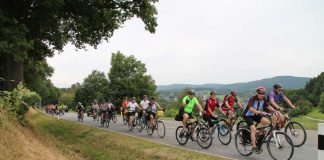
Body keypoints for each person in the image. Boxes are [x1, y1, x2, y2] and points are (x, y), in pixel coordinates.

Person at [243, 87, 279, 154]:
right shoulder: (252, 98)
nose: (261, 95)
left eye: (263, 93)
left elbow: (268, 106)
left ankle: (257, 135)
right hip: (248, 115)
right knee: (253, 129)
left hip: (256, 114)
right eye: (260, 93)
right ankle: (254, 147)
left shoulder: (263, 98)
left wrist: (275, 111)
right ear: (257, 93)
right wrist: (260, 112)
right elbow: (250, 109)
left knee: (267, 123)